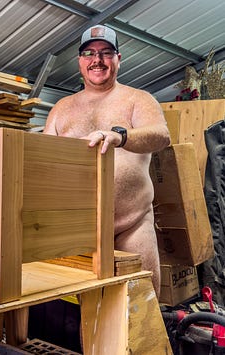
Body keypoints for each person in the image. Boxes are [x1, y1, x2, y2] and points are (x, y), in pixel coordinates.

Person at [43, 25, 170, 296]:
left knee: (141, 305)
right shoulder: (60, 108)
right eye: (89, 53)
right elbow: (44, 160)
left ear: (118, 59)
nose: (97, 60)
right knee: (86, 314)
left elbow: (161, 136)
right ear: (80, 61)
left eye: (106, 53)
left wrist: (119, 136)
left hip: (131, 224)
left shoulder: (138, 99)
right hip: (77, 229)